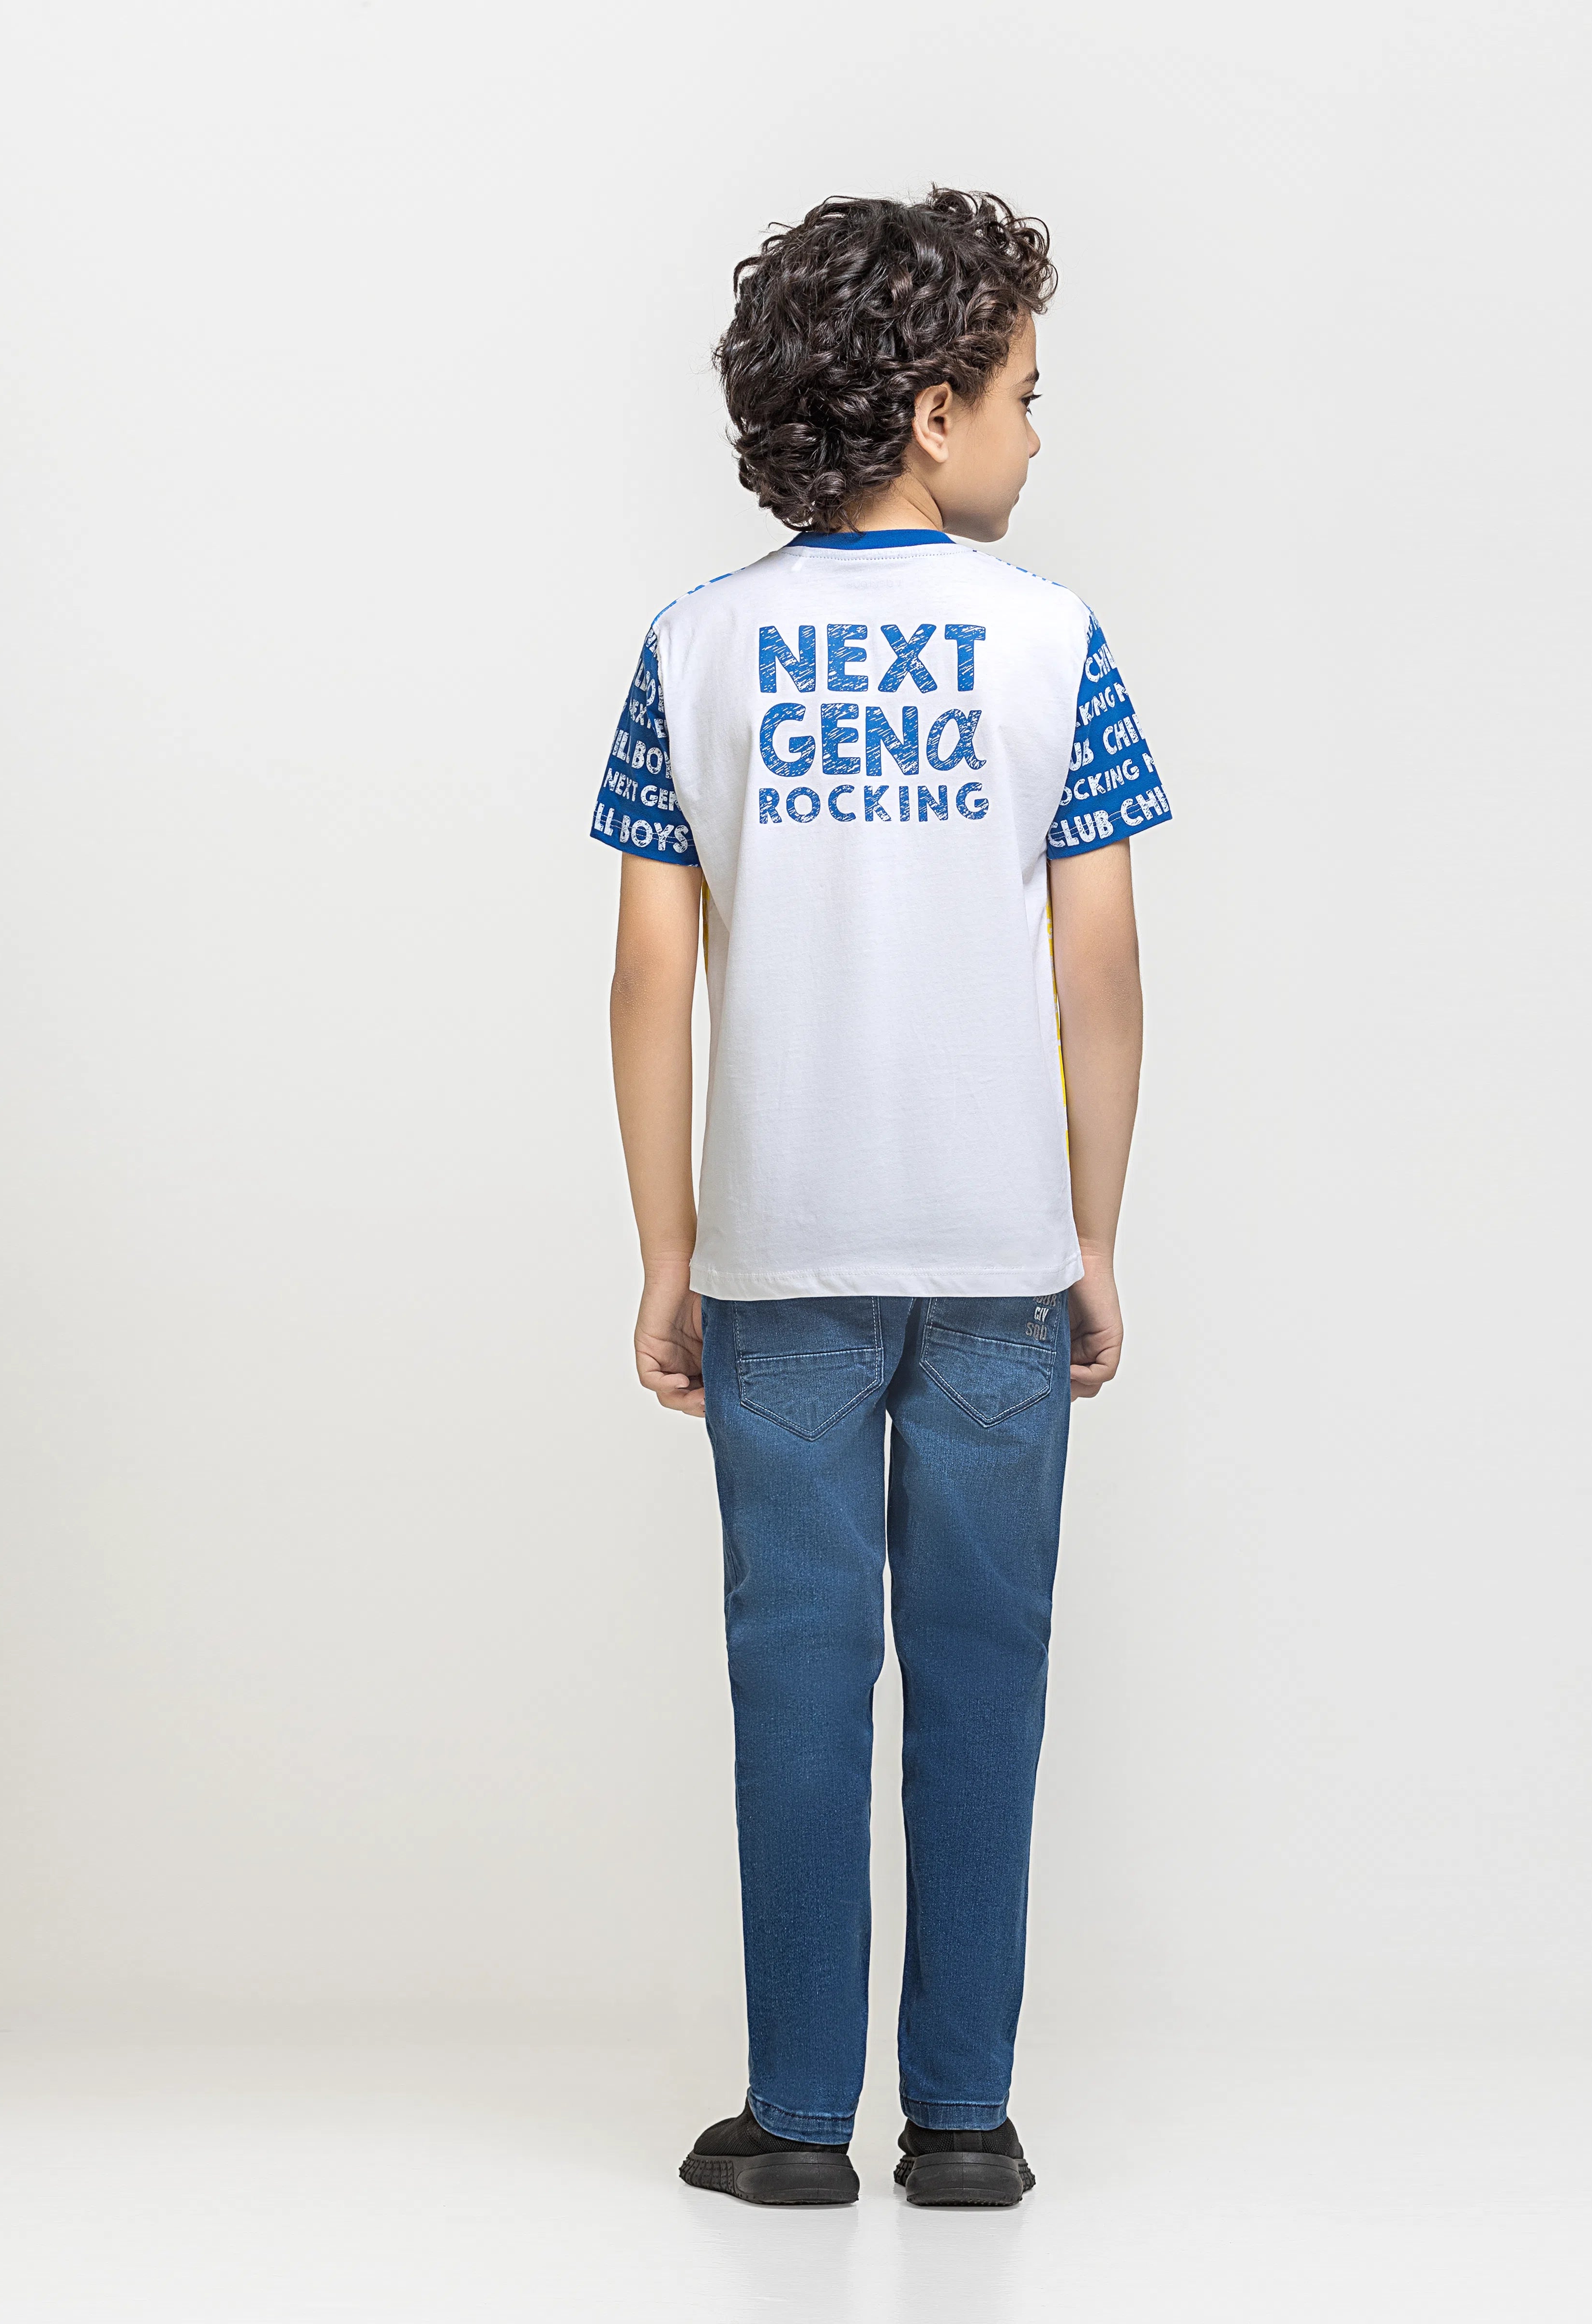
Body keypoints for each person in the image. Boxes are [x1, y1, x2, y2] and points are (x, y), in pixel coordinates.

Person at [595, 188, 1169, 2209]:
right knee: (990, 1677)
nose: (1036, 430)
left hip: (781, 1262)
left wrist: (669, 1252)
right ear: (934, 413)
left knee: (799, 1678)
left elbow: (650, 973)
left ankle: (796, 2122)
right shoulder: (1058, 644)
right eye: (1024, 393)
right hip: (1001, 1255)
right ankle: (968, 2122)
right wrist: (1094, 1234)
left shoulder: (693, 647)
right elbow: (1099, 966)